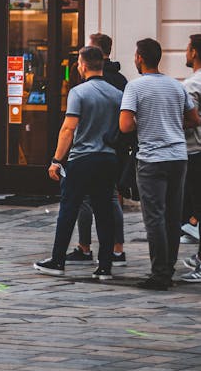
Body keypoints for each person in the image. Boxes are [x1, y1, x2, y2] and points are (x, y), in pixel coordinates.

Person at [34, 45, 122, 281]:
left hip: (82, 158)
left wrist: (56, 160)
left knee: (69, 208)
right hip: (108, 158)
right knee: (104, 211)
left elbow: (68, 128)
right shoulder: (117, 95)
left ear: (82, 65)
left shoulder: (79, 92)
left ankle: (57, 260)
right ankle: (104, 267)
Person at [119, 37, 200, 290]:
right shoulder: (177, 86)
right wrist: (172, 125)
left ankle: (160, 273)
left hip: (152, 159)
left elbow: (125, 125)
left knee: (154, 217)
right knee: (173, 217)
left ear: (140, 58)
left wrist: (145, 123)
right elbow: (194, 118)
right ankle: (170, 267)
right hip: (178, 157)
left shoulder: (135, 87)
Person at [67, 33, 128, 266]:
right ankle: (116, 249)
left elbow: (71, 125)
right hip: (112, 150)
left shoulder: (89, 86)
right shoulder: (120, 81)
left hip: (89, 150)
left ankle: (85, 247)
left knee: (85, 200)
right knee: (111, 200)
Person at [180, 34, 201, 282]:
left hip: (195, 151)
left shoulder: (192, 85)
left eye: (188, 48)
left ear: (194, 52)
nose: (186, 53)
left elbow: (188, 119)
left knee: (196, 208)